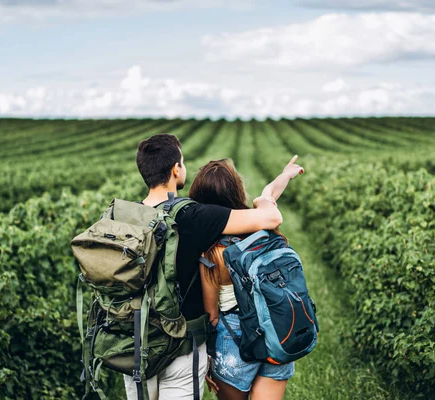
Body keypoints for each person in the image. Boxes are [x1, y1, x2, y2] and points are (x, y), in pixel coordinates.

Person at [123, 134, 289, 400]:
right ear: (176, 169)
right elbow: (271, 217)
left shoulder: (126, 217)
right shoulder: (194, 215)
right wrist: (266, 196)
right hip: (181, 345)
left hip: (133, 344)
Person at [189, 157, 304, 400]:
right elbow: (268, 194)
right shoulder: (260, 225)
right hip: (276, 326)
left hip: (233, 339)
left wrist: (208, 359)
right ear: (236, 190)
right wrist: (286, 174)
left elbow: (212, 314)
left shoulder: (211, 253)